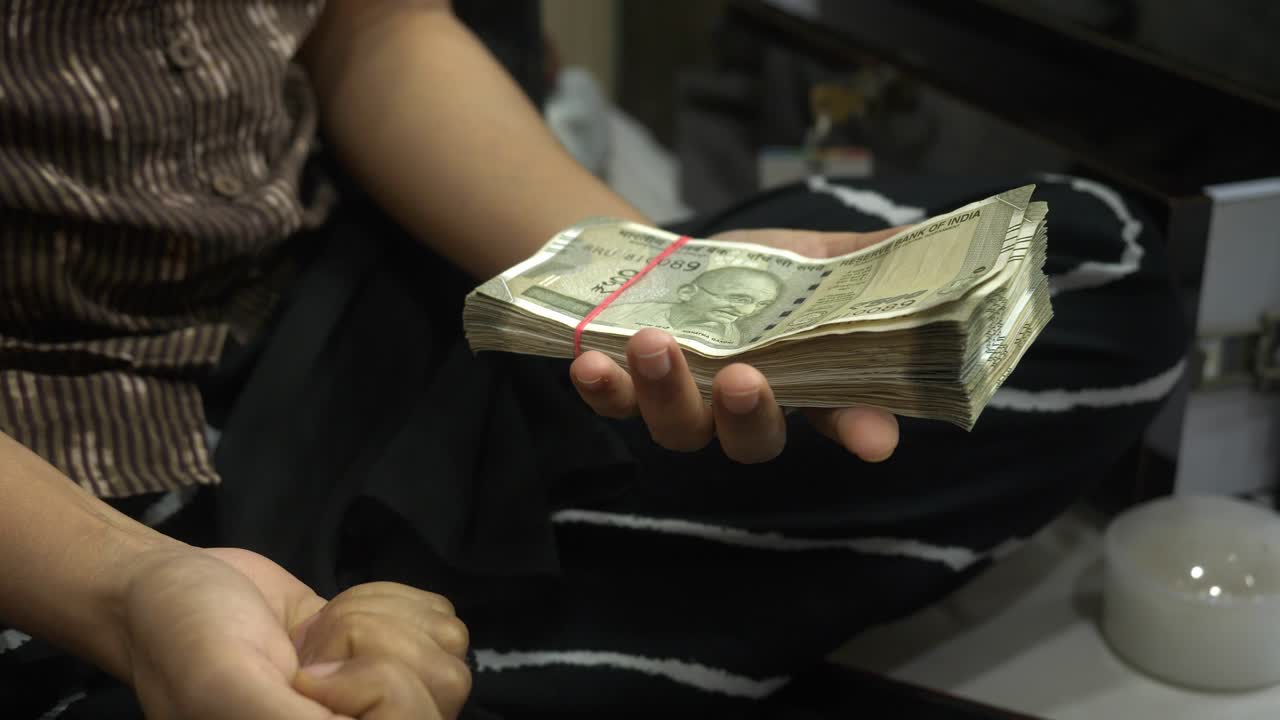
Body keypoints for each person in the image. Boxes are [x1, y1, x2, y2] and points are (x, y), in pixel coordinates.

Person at [0, 1, 1187, 718]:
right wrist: (125, 591)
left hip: (355, 307)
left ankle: (350, 640)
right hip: (60, 477)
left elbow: (372, 30)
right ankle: (279, 639)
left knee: (1092, 269)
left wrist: (651, 278)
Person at [596, 266, 783, 345]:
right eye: (739, 299)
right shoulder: (624, 312)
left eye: (761, 305)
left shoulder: (732, 339)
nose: (747, 312)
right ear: (688, 292)